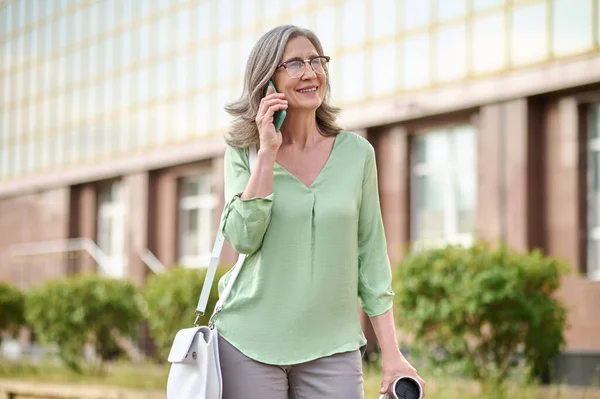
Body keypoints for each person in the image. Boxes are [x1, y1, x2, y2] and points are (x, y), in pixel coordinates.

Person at [216, 25, 426, 399]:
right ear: (268, 80)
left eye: (316, 60)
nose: (310, 72)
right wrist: (266, 152)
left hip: (333, 347)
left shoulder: (357, 154)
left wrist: (392, 353)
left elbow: (371, 255)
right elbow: (242, 239)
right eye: (294, 63)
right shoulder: (244, 153)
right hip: (248, 342)